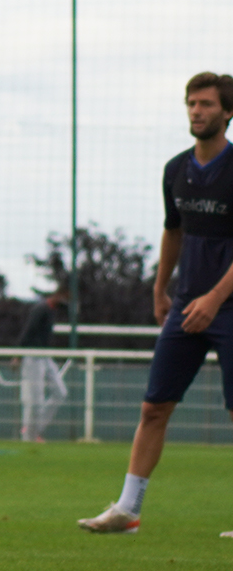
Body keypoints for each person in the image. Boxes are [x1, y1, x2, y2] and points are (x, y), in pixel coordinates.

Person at [80, 73, 233, 536]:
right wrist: (160, 287)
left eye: (206, 103)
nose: (196, 111)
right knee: (154, 408)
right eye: (191, 103)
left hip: (227, 305)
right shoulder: (175, 169)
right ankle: (128, 510)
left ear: (227, 112)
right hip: (187, 305)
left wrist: (215, 296)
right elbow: (173, 230)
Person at [17, 288, 68, 442]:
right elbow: (28, 331)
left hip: (45, 356)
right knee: (35, 399)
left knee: (60, 392)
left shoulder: (52, 311)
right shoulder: (40, 309)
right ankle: (30, 435)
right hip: (33, 356)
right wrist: (18, 354)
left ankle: (34, 428)